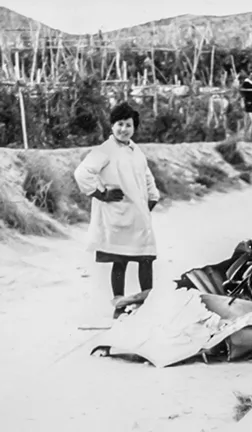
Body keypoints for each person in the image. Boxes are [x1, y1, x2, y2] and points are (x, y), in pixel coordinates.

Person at [74, 102, 160, 318]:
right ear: (112, 126)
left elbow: (147, 176)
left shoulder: (135, 150)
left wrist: (151, 199)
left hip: (138, 217)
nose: (124, 129)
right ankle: (119, 306)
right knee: (119, 261)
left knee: (146, 259)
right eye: (120, 124)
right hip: (117, 215)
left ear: (134, 128)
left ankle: (146, 303)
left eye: (128, 125)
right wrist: (101, 194)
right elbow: (82, 173)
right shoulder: (105, 150)